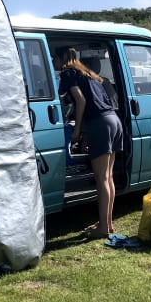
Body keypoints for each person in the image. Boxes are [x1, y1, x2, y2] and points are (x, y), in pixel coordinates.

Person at [55, 47, 123, 238]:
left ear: (62, 59)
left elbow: (81, 101)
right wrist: (86, 134)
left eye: (54, 59)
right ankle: (107, 224)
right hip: (113, 120)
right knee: (108, 177)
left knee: (101, 178)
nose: (53, 63)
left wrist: (76, 131)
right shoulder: (88, 73)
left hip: (100, 123)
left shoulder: (68, 73)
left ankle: (103, 227)